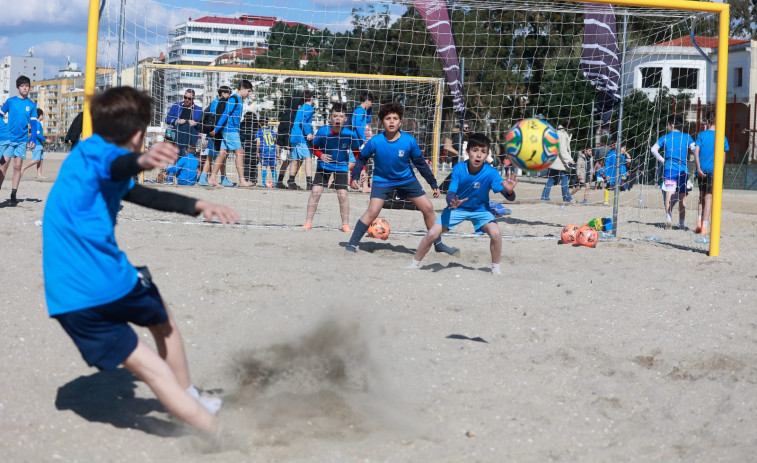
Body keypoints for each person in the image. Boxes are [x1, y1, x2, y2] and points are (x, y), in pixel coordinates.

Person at [42, 86, 238, 435]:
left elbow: (142, 193)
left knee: (154, 363)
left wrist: (197, 205)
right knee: (165, 327)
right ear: (137, 134)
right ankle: (219, 432)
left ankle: (193, 410)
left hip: (67, 300)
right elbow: (119, 165)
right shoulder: (100, 157)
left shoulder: (83, 160)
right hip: (107, 281)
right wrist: (142, 160)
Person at [345, 102, 457, 255]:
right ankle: (352, 244)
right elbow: (361, 158)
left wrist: (433, 183)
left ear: (400, 121)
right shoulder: (375, 141)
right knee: (373, 211)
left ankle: (438, 243)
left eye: (395, 118)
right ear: (382, 121)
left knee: (428, 208)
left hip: (406, 179)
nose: (391, 121)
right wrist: (355, 176)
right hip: (382, 180)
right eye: (388, 118)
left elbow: (421, 164)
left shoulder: (409, 141)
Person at [408, 133, 517, 275]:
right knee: (432, 233)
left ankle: (496, 270)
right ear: (467, 151)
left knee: (496, 233)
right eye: (475, 150)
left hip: (480, 210)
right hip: (457, 208)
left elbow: (509, 197)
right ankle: (414, 264)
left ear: (487, 155)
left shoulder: (491, 173)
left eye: (483, 152)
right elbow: (451, 193)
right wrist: (452, 202)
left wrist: (509, 191)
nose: (478, 155)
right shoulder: (459, 168)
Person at [303, 103, 361, 232]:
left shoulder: (349, 134)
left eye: (341, 116)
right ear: (331, 118)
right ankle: (308, 222)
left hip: (341, 167)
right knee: (316, 192)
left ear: (346, 119)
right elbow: (313, 147)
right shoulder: (323, 131)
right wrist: (321, 155)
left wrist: (359, 171)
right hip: (324, 165)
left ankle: (345, 225)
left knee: (343, 195)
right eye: (335, 116)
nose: (338, 119)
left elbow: (357, 153)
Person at [651, 114, 695, 229]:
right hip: (683, 171)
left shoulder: (665, 137)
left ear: (671, 125)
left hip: (669, 170)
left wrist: (662, 160)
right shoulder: (687, 137)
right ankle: (681, 224)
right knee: (682, 197)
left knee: (668, 196)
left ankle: (669, 219)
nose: (667, 127)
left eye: (667, 124)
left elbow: (653, 149)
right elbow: (695, 149)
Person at [0, 75, 38, 204]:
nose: (25, 87)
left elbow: (33, 123)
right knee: (4, 166)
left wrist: (32, 138)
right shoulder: (11, 101)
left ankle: (14, 193)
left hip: (22, 140)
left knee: (17, 166)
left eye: (27, 85)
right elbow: (0, 115)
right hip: (9, 139)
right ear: (17, 88)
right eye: (22, 86)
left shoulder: (32, 105)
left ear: (29, 88)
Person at [208, 80, 253, 188]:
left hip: (231, 130)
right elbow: (225, 114)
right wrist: (217, 129)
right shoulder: (233, 99)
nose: (248, 94)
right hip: (230, 130)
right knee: (240, 152)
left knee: (222, 153)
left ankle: (212, 178)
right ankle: (242, 181)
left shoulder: (238, 100)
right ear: (242, 88)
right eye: (248, 91)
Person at [693, 112, 729, 235]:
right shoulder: (722, 137)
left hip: (702, 170)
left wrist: (698, 168)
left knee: (701, 196)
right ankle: (704, 226)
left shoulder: (701, 135)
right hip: (714, 171)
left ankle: (699, 222)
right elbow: (724, 156)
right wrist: (720, 171)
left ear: (707, 122)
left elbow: (696, 152)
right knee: (709, 198)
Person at [198, 86, 233, 187]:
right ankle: (215, 178)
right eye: (227, 93)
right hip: (217, 132)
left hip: (210, 131)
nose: (229, 95)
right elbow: (218, 117)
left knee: (213, 156)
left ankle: (206, 177)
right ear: (222, 93)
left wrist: (203, 130)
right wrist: (215, 130)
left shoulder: (214, 102)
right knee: (220, 155)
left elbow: (205, 115)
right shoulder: (221, 102)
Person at [540, 119, 575, 203]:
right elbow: (562, 149)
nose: (573, 128)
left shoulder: (562, 132)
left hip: (556, 160)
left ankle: (544, 196)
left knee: (552, 179)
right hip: (560, 161)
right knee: (564, 179)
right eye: (572, 126)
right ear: (568, 125)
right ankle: (567, 198)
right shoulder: (560, 134)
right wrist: (570, 160)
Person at [274, 95, 303, 189]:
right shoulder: (290, 115)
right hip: (288, 143)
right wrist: (287, 144)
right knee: (293, 160)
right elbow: (286, 130)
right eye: (299, 104)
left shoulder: (293, 114)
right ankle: (290, 181)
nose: (300, 106)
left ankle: (281, 181)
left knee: (288, 162)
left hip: (288, 142)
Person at [288, 90, 315, 190]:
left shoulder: (301, 107)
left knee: (295, 160)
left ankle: (291, 181)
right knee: (308, 158)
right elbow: (303, 121)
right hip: (301, 137)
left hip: (294, 136)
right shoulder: (309, 108)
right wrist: (309, 132)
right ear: (311, 98)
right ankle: (309, 183)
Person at [165, 88, 202, 158]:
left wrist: (196, 123)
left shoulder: (199, 110)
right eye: (185, 97)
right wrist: (177, 121)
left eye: (189, 98)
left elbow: (203, 124)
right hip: (177, 136)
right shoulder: (176, 106)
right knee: (174, 157)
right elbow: (167, 119)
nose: (186, 100)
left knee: (187, 158)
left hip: (190, 138)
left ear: (193, 99)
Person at [21, 108, 48, 179]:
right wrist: (46, 139)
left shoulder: (37, 123)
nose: (43, 117)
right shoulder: (37, 123)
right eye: (43, 115)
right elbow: (37, 134)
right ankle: (23, 168)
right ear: (40, 115)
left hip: (40, 144)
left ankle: (39, 175)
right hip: (37, 144)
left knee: (40, 160)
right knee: (36, 160)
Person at [255, 117, 278, 188]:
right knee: (273, 167)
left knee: (264, 167)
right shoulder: (272, 132)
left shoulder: (258, 132)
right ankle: (276, 183)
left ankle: (264, 183)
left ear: (259, 124)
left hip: (264, 151)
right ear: (268, 124)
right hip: (272, 151)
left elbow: (258, 142)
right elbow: (276, 143)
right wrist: (278, 153)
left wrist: (257, 152)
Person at [240, 111, 260, 186]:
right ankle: (253, 180)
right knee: (253, 163)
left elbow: (241, 135)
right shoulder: (257, 125)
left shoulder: (242, 124)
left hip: (245, 144)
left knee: (246, 163)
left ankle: (246, 179)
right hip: (254, 145)